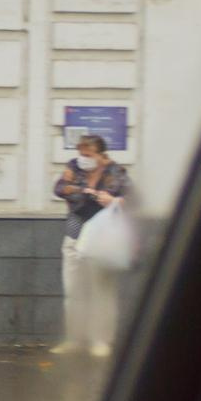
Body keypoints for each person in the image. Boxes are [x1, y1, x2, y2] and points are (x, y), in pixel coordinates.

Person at [53, 134, 132, 358]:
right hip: (75, 232)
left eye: (88, 154)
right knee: (73, 290)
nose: (83, 158)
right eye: (81, 154)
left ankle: (101, 341)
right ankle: (73, 339)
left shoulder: (116, 172)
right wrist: (81, 190)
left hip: (102, 238)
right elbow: (59, 188)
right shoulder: (74, 168)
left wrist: (114, 201)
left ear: (101, 154)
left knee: (103, 291)